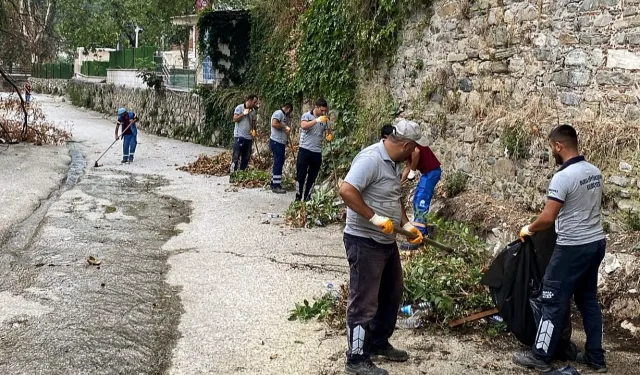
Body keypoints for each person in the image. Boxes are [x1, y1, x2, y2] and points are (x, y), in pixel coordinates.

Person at [513, 125, 607, 373]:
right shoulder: (594, 171)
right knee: (588, 301)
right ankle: (596, 358)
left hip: (572, 247)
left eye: (551, 147)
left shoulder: (563, 177)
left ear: (559, 146)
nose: (551, 152)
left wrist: (529, 228)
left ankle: (540, 355)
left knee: (551, 299)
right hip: (596, 243)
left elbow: (548, 217)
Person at [339, 120, 427, 375]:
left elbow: (392, 197)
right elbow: (346, 190)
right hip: (364, 240)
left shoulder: (394, 163)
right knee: (363, 299)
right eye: (414, 149)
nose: (414, 153)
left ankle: (378, 342)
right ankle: (356, 358)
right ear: (408, 145)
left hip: (386, 243)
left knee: (391, 293)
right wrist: (373, 217)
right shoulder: (371, 159)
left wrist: (406, 225)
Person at [399, 143, 442, 250]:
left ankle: (418, 237)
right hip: (427, 173)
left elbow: (416, 152)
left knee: (421, 201)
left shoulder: (409, 143)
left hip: (432, 172)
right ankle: (422, 233)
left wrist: (413, 171)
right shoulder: (406, 147)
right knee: (417, 199)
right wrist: (399, 184)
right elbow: (408, 167)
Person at [295, 98, 332, 201]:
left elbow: (327, 132)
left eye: (325, 111)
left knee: (312, 177)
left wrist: (329, 135)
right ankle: (298, 197)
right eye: (322, 110)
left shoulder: (325, 120)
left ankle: (307, 197)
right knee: (301, 175)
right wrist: (316, 120)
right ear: (316, 107)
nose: (323, 112)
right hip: (305, 150)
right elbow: (304, 126)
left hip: (317, 151)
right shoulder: (307, 115)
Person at [230, 94, 259, 182]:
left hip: (249, 137)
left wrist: (254, 131)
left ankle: (241, 175)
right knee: (236, 157)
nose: (255, 104)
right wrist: (243, 113)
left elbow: (253, 122)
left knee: (246, 157)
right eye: (254, 102)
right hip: (239, 136)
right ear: (249, 101)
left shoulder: (253, 111)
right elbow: (234, 119)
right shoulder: (239, 107)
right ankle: (233, 175)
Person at [270, 103, 293, 194]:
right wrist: (284, 127)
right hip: (277, 142)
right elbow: (274, 124)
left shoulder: (283, 115)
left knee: (278, 162)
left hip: (280, 142)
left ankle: (274, 182)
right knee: (278, 163)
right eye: (290, 111)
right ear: (288, 108)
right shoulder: (279, 113)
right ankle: (276, 186)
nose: (289, 114)